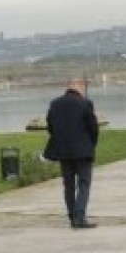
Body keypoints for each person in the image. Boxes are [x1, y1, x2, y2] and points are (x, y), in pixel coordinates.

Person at [44, 79, 100, 229]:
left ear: (67, 88)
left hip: (63, 151)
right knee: (84, 183)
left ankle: (71, 215)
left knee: (68, 185)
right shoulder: (85, 103)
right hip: (83, 151)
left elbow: (50, 125)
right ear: (79, 88)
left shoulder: (55, 104)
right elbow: (93, 127)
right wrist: (91, 144)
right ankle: (79, 217)